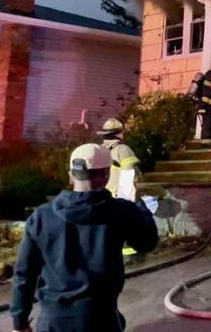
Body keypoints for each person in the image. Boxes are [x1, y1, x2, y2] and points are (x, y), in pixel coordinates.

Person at [10, 143, 158, 332]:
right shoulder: (121, 211)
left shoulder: (41, 216)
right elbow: (147, 243)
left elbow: (24, 274)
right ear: (106, 174)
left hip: (53, 322)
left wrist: (19, 322)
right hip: (102, 319)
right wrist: (140, 206)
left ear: (71, 174)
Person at [98, 118, 142, 263]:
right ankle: (131, 257)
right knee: (127, 227)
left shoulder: (99, 150)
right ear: (120, 133)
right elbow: (129, 174)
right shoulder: (122, 149)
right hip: (120, 195)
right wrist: (129, 200)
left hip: (104, 196)